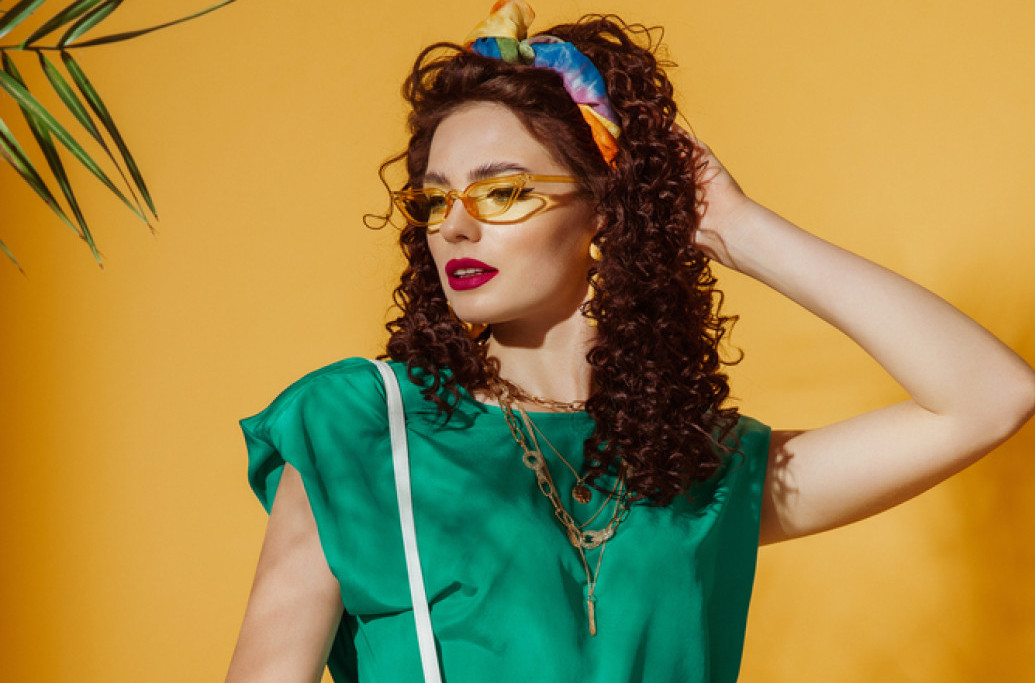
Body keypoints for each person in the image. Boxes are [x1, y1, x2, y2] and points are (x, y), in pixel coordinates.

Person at [226, 2, 1035, 681]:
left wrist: (737, 228)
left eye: (501, 191)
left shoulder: (694, 465)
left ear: (603, 209)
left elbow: (989, 397)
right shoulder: (360, 427)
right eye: (435, 200)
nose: (456, 226)